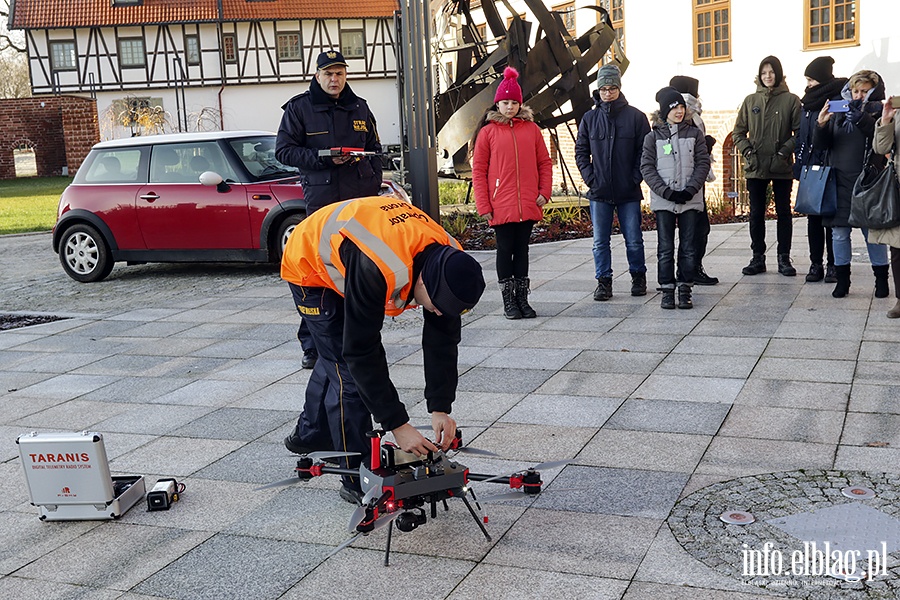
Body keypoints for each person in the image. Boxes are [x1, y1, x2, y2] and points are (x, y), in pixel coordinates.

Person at [280, 196, 486, 503]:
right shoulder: (378, 263)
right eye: (437, 307)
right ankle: (356, 474)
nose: (439, 314)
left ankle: (310, 433)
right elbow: (361, 351)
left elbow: (442, 340)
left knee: (332, 353)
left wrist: (440, 407)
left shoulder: (451, 260)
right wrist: (397, 424)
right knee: (346, 370)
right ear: (425, 284)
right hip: (310, 264)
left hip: (352, 252)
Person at [276, 50, 383, 370]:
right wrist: (324, 157)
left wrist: (372, 180)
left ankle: (354, 340)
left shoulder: (360, 106)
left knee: (356, 273)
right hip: (322, 203)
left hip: (358, 202)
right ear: (317, 76)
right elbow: (284, 151)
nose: (335, 79)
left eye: (340, 73)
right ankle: (312, 344)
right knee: (318, 274)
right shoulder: (299, 109)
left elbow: (375, 149)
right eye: (328, 74)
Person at [471, 67, 553, 319]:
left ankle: (522, 299)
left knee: (523, 250)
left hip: (528, 201)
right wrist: (484, 204)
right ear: (498, 103)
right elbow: (479, 170)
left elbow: (544, 163)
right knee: (505, 249)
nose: (510, 107)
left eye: (514, 102)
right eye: (506, 102)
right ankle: (509, 302)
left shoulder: (531, 130)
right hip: (500, 203)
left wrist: (544, 192)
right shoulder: (487, 132)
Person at [575, 64, 651, 301]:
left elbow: (644, 152)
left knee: (634, 239)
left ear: (619, 88)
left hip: (628, 190)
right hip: (600, 191)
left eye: (612, 88)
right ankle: (603, 281)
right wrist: (591, 178)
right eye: (604, 89)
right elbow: (581, 152)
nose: (608, 93)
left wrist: (634, 177)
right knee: (600, 242)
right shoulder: (589, 118)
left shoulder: (636, 117)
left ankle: (638, 276)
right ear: (599, 90)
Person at [815, 70, 889, 299]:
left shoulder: (880, 110)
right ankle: (843, 281)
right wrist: (821, 125)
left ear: (873, 91)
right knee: (839, 233)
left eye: (864, 91)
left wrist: (862, 119)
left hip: (868, 180)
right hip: (839, 179)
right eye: (855, 90)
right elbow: (822, 146)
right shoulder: (839, 110)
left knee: (872, 233)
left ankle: (881, 280)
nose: (858, 96)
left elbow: (881, 141)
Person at [641, 87, 711, 310]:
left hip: (690, 199)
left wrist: (691, 189)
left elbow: (703, 163)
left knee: (689, 245)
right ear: (665, 111)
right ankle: (667, 289)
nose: (679, 112)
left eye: (682, 107)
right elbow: (647, 167)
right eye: (674, 108)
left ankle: (685, 287)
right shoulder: (653, 137)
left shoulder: (694, 134)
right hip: (665, 200)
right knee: (665, 247)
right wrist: (666, 192)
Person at [732, 56, 801, 277]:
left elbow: (800, 134)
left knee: (783, 213)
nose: (768, 76)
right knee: (756, 214)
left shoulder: (791, 100)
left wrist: (783, 152)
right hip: (756, 166)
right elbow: (738, 132)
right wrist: (748, 152)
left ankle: (783, 258)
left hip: (781, 166)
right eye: (764, 73)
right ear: (759, 76)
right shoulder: (751, 100)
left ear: (778, 74)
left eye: (771, 72)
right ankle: (757, 257)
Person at [794, 56, 847, 283]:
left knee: (830, 218)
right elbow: (800, 135)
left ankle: (834, 264)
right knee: (813, 218)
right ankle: (816, 264)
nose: (808, 84)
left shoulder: (835, 101)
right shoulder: (807, 103)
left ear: (823, 78)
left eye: (812, 79)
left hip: (830, 167)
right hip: (810, 168)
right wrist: (800, 163)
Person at [669, 75, 719, 286]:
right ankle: (691, 270)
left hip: (671, 182)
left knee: (677, 232)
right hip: (692, 183)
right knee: (698, 229)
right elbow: (694, 152)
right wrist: (706, 148)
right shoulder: (692, 115)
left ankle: (679, 271)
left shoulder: (667, 114)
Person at [872, 95, 900, 318]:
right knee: (897, 247)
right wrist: (886, 120)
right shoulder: (896, 114)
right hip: (897, 188)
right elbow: (880, 148)